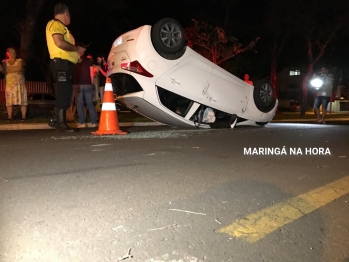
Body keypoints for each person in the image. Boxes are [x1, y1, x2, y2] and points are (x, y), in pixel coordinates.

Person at [45, 3, 85, 131]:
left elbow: (64, 47)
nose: (70, 18)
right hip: (61, 63)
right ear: (66, 13)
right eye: (69, 15)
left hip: (65, 63)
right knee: (64, 92)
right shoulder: (55, 24)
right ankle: (60, 123)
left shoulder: (60, 27)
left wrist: (75, 56)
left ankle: (55, 119)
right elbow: (59, 42)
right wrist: (76, 48)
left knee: (66, 92)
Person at [72, 44, 98, 128]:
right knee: (90, 103)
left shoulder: (73, 61)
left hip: (77, 84)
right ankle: (94, 122)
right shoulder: (89, 61)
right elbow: (91, 73)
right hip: (87, 84)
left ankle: (82, 123)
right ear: (83, 52)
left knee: (79, 104)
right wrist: (91, 82)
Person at [0, 47, 28, 121]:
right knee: (9, 100)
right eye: (11, 52)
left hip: (19, 83)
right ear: (7, 53)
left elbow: (19, 68)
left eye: (14, 52)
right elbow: (3, 70)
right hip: (9, 83)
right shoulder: (4, 62)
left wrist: (9, 70)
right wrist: (12, 69)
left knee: (23, 99)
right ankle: (9, 117)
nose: (13, 54)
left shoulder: (20, 60)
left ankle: (23, 116)